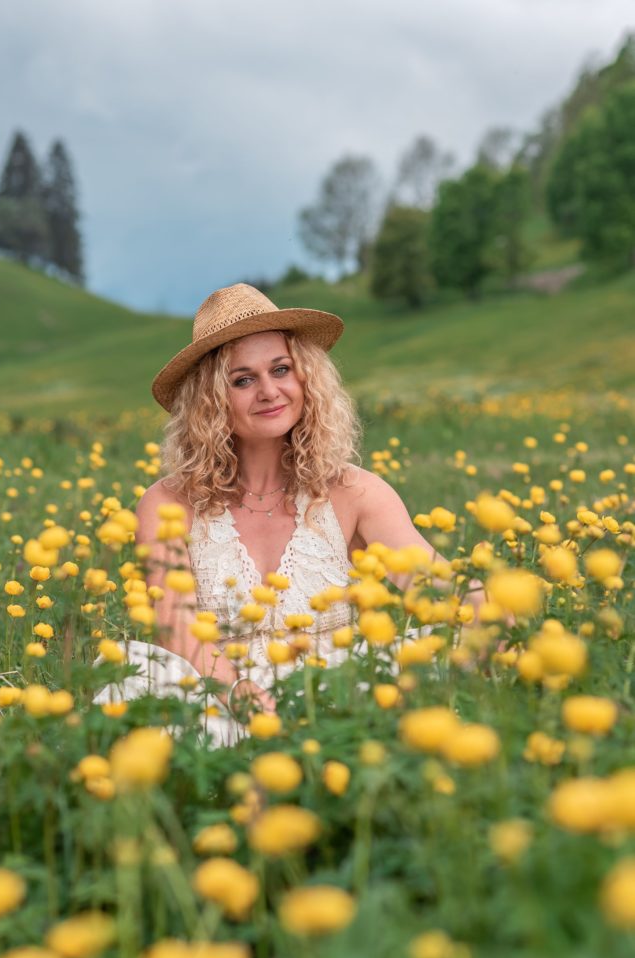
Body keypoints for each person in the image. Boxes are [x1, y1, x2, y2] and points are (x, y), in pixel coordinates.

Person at [93, 283, 484, 740]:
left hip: (334, 696)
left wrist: (490, 608)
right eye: (243, 380)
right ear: (210, 400)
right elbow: (175, 630)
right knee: (124, 669)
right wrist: (236, 690)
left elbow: (439, 587)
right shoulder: (167, 503)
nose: (269, 391)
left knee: (433, 647)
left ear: (305, 379)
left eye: (281, 369)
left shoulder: (356, 493)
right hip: (218, 703)